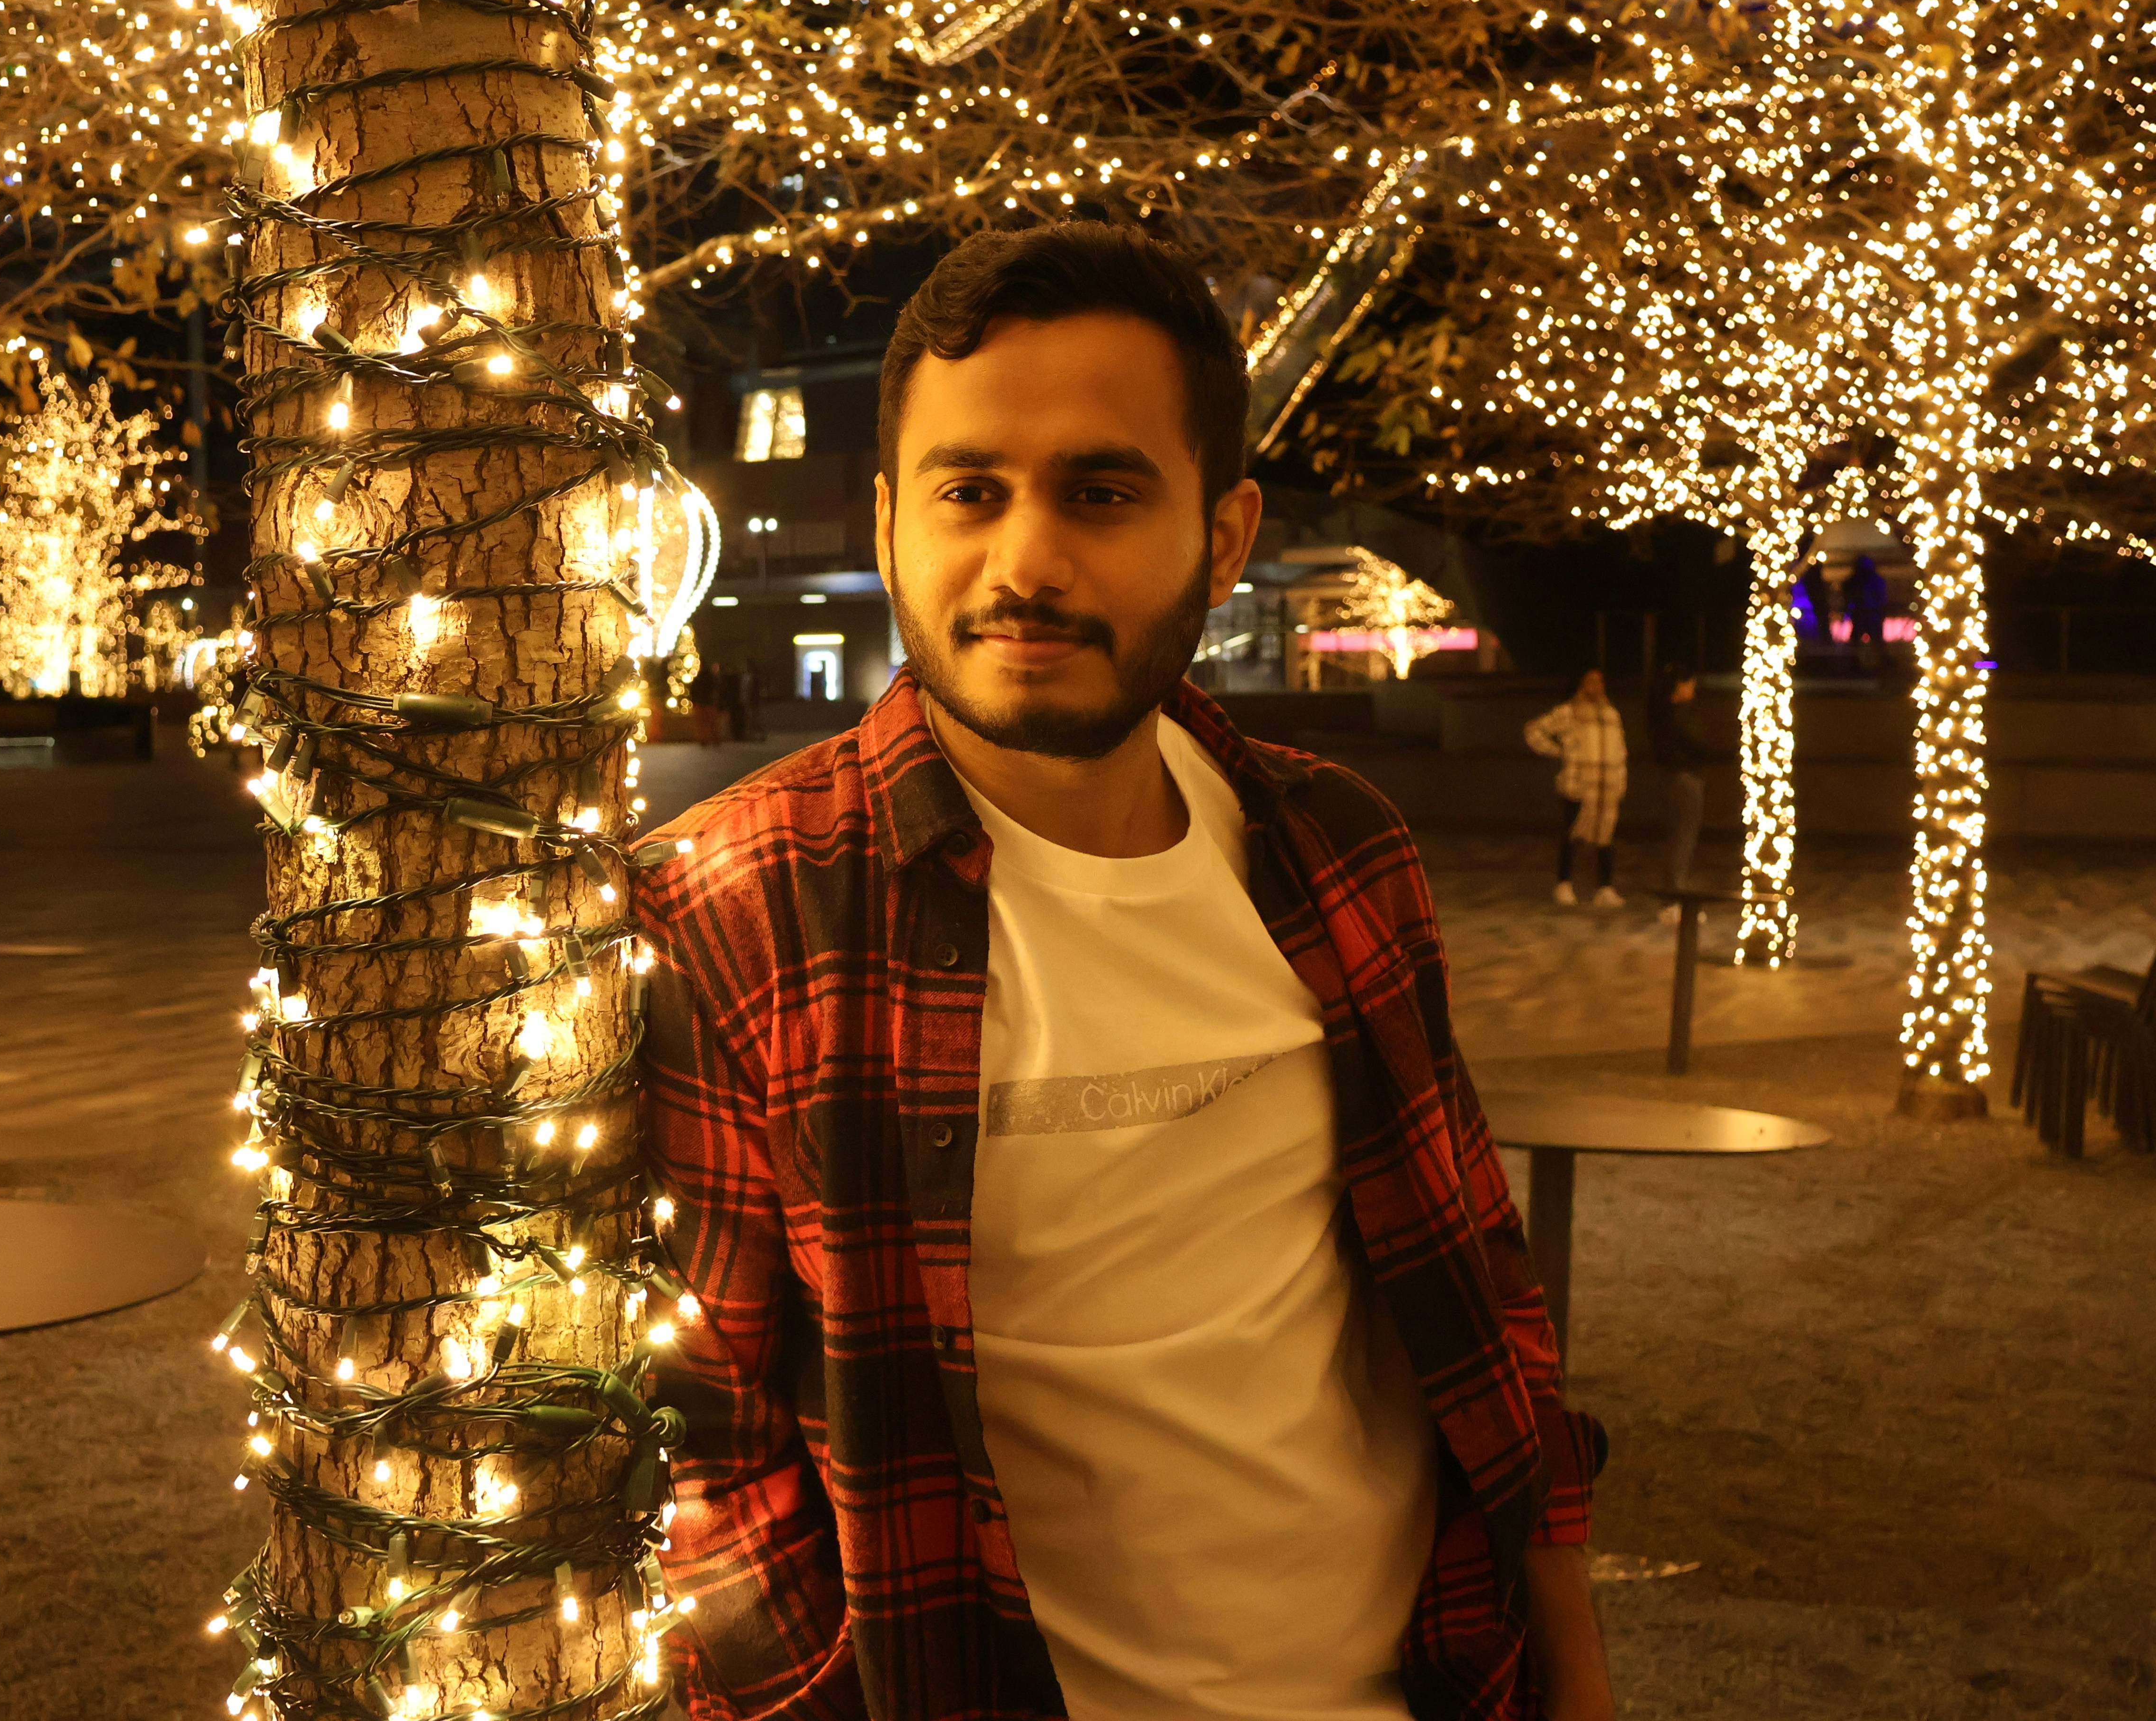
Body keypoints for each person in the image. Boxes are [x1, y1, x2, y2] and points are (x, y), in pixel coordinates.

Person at [636, 224, 1612, 1721]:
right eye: (970, 491)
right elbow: (700, 1454)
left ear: (1223, 537)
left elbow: (1483, 1298)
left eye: (1100, 493)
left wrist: (1575, 1673)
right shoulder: (736, 907)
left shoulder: (1337, 852)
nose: (1025, 563)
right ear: (889, 524)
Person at [1525, 668, 1628, 908]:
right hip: (1578, 786)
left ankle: (1605, 888)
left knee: (1605, 837)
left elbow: (1620, 751)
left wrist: (1620, 782)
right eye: (1590, 681)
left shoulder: (1611, 714)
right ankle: (1564, 884)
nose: (1596, 686)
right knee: (1572, 835)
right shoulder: (1568, 712)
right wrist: (1559, 751)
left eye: (1600, 682)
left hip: (1606, 787)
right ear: (1581, 684)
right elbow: (1535, 731)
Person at [1646, 664, 1711, 925]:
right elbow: (1693, 745)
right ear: (1678, 686)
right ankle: (1673, 899)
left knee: (1681, 837)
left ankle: (1673, 896)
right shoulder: (1675, 716)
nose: (1693, 688)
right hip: (1683, 778)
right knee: (1683, 838)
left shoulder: (1664, 714)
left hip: (1680, 777)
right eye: (1689, 683)